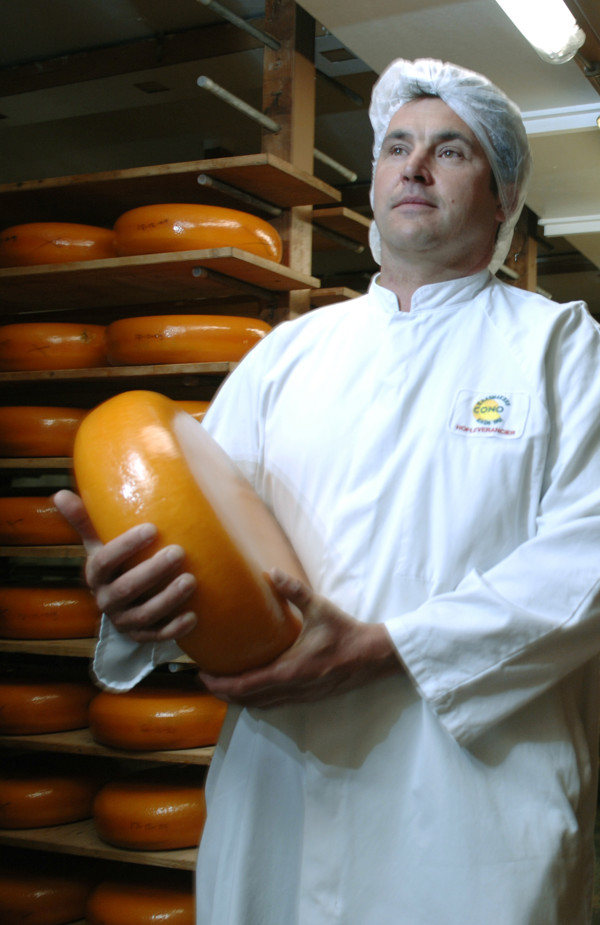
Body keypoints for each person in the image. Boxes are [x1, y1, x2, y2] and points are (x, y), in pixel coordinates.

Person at [55, 58, 600, 925]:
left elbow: (586, 560)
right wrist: (136, 595)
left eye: (450, 151)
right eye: (396, 147)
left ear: (502, 198)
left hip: (471, 798)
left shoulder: (562, 348)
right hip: (279, 784)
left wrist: (391, 646)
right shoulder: (287, 355)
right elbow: (202, 531)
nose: (414, 168)